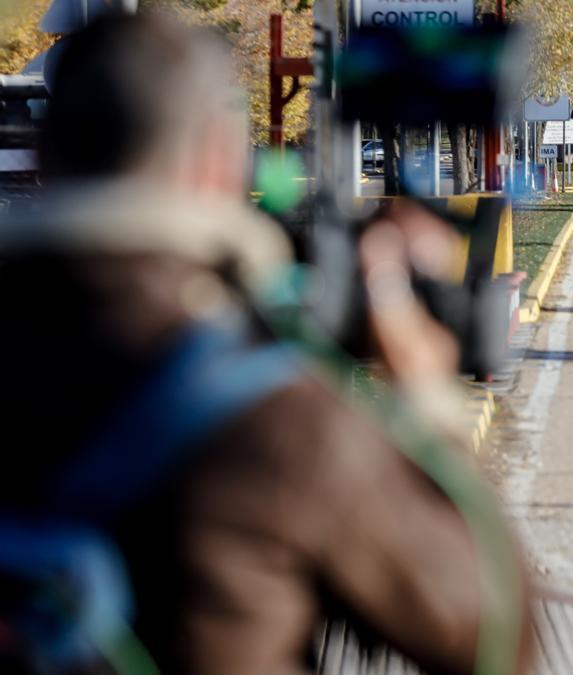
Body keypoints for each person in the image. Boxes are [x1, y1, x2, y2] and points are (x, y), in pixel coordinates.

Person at [0, 13, 534, 675]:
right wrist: (425, 400)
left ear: (44, 154)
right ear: (221, 158)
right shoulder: (281, 419)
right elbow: (490, 635)